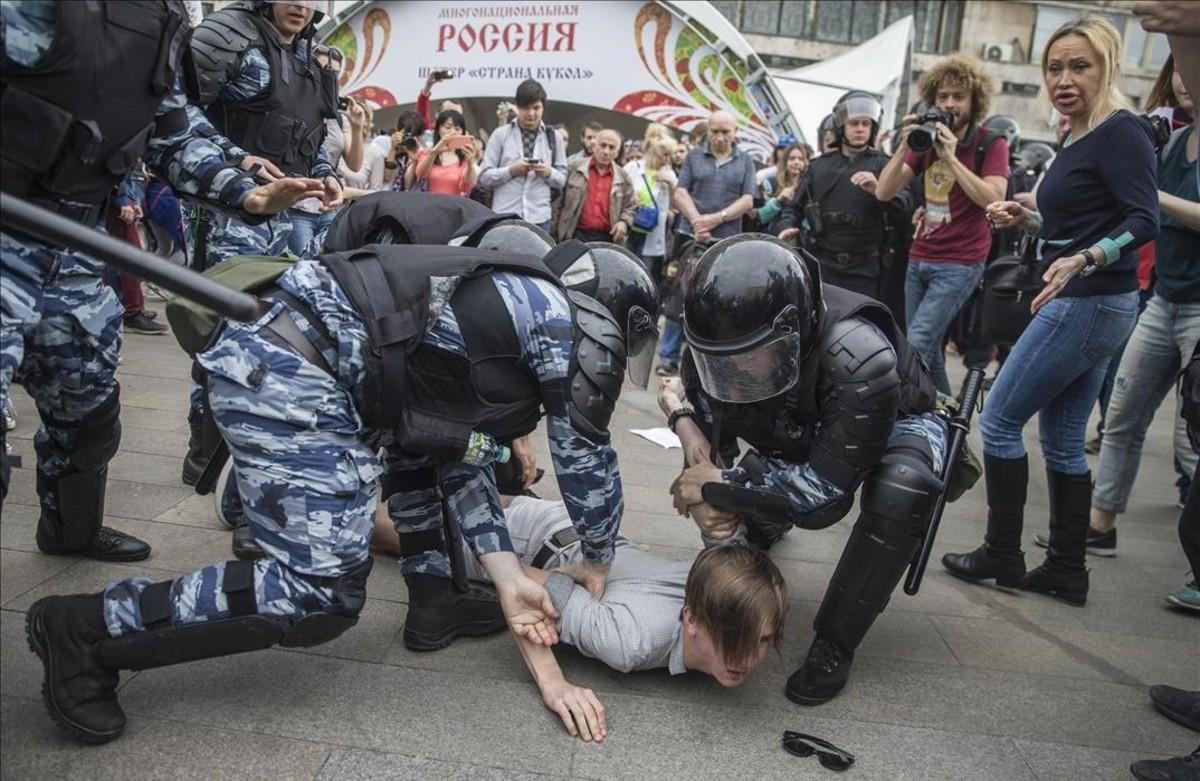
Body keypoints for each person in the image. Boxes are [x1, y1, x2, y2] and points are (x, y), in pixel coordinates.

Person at [24, 233, 658, 744]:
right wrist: (599, 556)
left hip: (288, 357)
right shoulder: (561, 321)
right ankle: (82, 629)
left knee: (329, 580)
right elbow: (585, 457)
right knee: (317, 591)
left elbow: (453, 457)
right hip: (289, 367)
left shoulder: (498, 307)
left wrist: (506, 574)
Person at [0, 0, 321, 569]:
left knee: (89, 416)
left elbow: (173, 132)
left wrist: (244, 192)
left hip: (75, 250)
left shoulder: (159, 20)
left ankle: (69, 533)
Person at [665, 235, 945, 706]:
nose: (732, 368)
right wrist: (707, 503)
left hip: (893, 421)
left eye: (745, 356)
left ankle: (836, 642)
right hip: (796, 418)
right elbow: (711, 447)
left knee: (903, 489)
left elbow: (824, 499)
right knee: (741, 489)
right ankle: (765, 520)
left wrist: (719, 487)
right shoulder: (716, 341)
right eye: (720, 360)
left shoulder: (858, 353)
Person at [942, 15, 1156, 608]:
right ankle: (1066, 569)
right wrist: (1028, 217)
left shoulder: (1122, 130)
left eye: (1079, 66)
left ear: (1108, 64)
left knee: (1000, 421)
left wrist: (1086, 258)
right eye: (1055, 67)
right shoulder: (1078, 131)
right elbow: (1084, 217)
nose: (1064, 79)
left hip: (1090, 301)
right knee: (1062, 441)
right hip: (1089, 299)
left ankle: (1002, 554)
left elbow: (1143, 220)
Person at [1055, 77, 1198, 591]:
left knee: (1191, 437)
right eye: (1179, 70)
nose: (1184, 80)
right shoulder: (1173, 140)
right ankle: (1101, 523)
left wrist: (1153, 198)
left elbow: (1147, 208)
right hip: (1163, 298)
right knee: (1121, 417)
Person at [874, 54, 1010, 395]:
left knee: (916, 342)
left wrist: (950, 157)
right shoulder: (926, 140)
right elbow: (883, 190)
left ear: (974, 101)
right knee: (929, 350)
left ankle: (900, 415)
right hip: (920, 256)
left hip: (960, 262)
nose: (950, 104)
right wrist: (904, 145)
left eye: (958, 97)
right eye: (943, 97)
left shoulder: (991, 143)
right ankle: (946, 422)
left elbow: (993, 197)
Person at [186, 0, 343, 269]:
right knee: (221, 303)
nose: (300, 6)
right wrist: (238, 158)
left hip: (285, 220)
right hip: (227, 213)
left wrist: (325, 172)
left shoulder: (307, 59)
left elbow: (308, 133)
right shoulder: (227, 34)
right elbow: (177, 112)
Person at [779, 92, 912, 301]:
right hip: (822, 264)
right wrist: (786, 226)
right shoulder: (818, 166)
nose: (860, 129)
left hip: (864, 270)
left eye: (865, 124)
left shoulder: (884, 165)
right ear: (841, 126)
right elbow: (793, 207)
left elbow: (905, 208)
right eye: (854, 123)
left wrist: (880, 190)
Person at [479, 78, 567, 232]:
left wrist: (548, 172)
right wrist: (511, 170)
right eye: (526, 108)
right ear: (517, 107)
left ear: (543, 108)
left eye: (536, 107)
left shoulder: (554, 137)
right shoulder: (500, 135)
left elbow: (562, 179)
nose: (531, 113)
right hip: (504, 217)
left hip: (540, 219)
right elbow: (484, 178)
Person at [553, 129, 634, 245]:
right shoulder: (574, 168)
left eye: (611, 147)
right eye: (603, 145)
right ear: (594, 145)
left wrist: (623, 222)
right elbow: (557, 201)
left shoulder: (623, 177)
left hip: (607, 238)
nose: (606, 151)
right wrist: (554, 234)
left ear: (617, 152)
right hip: (574, 233)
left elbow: (630, 206)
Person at [625, 135, 679, 282]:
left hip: (652, 232)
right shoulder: (634, 167)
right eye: (665, 154)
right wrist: (631, 197)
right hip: (630, 228)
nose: (667, 159)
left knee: (642, 276)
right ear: (653, 152)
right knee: (623, 267)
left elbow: (677, 204)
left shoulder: (669, 174)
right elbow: (619, 189)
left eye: (670, 155)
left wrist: (670, 184)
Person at [405, 109, 479, 197]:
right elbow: (420, 174)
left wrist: (470, 163)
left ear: (462, 133)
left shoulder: (464, 157)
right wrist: (435, 152)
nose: (452, 132)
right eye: (448, 127)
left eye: (457, 129)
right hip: (428, 205)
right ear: (438, 129)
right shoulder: (427, 153)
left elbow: (466, 188)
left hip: (452, 207)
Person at [757, 143, 808, 238]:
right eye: (792, 158)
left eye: (800, 159)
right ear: (785, 162)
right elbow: (761, 216)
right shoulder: (771, 183)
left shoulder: (808, 188)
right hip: (772, 239)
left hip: (799, 241)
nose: (796, 162)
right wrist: (778, 200)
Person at [382, 111, 429, 192]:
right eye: (406, 134)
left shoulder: (422, 152)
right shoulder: (385, 144)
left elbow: (408, 186)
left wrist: (414, 159)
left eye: (414, 135)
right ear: (397, 129)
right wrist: (393, 149)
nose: (409, 138)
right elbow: (387, 178)